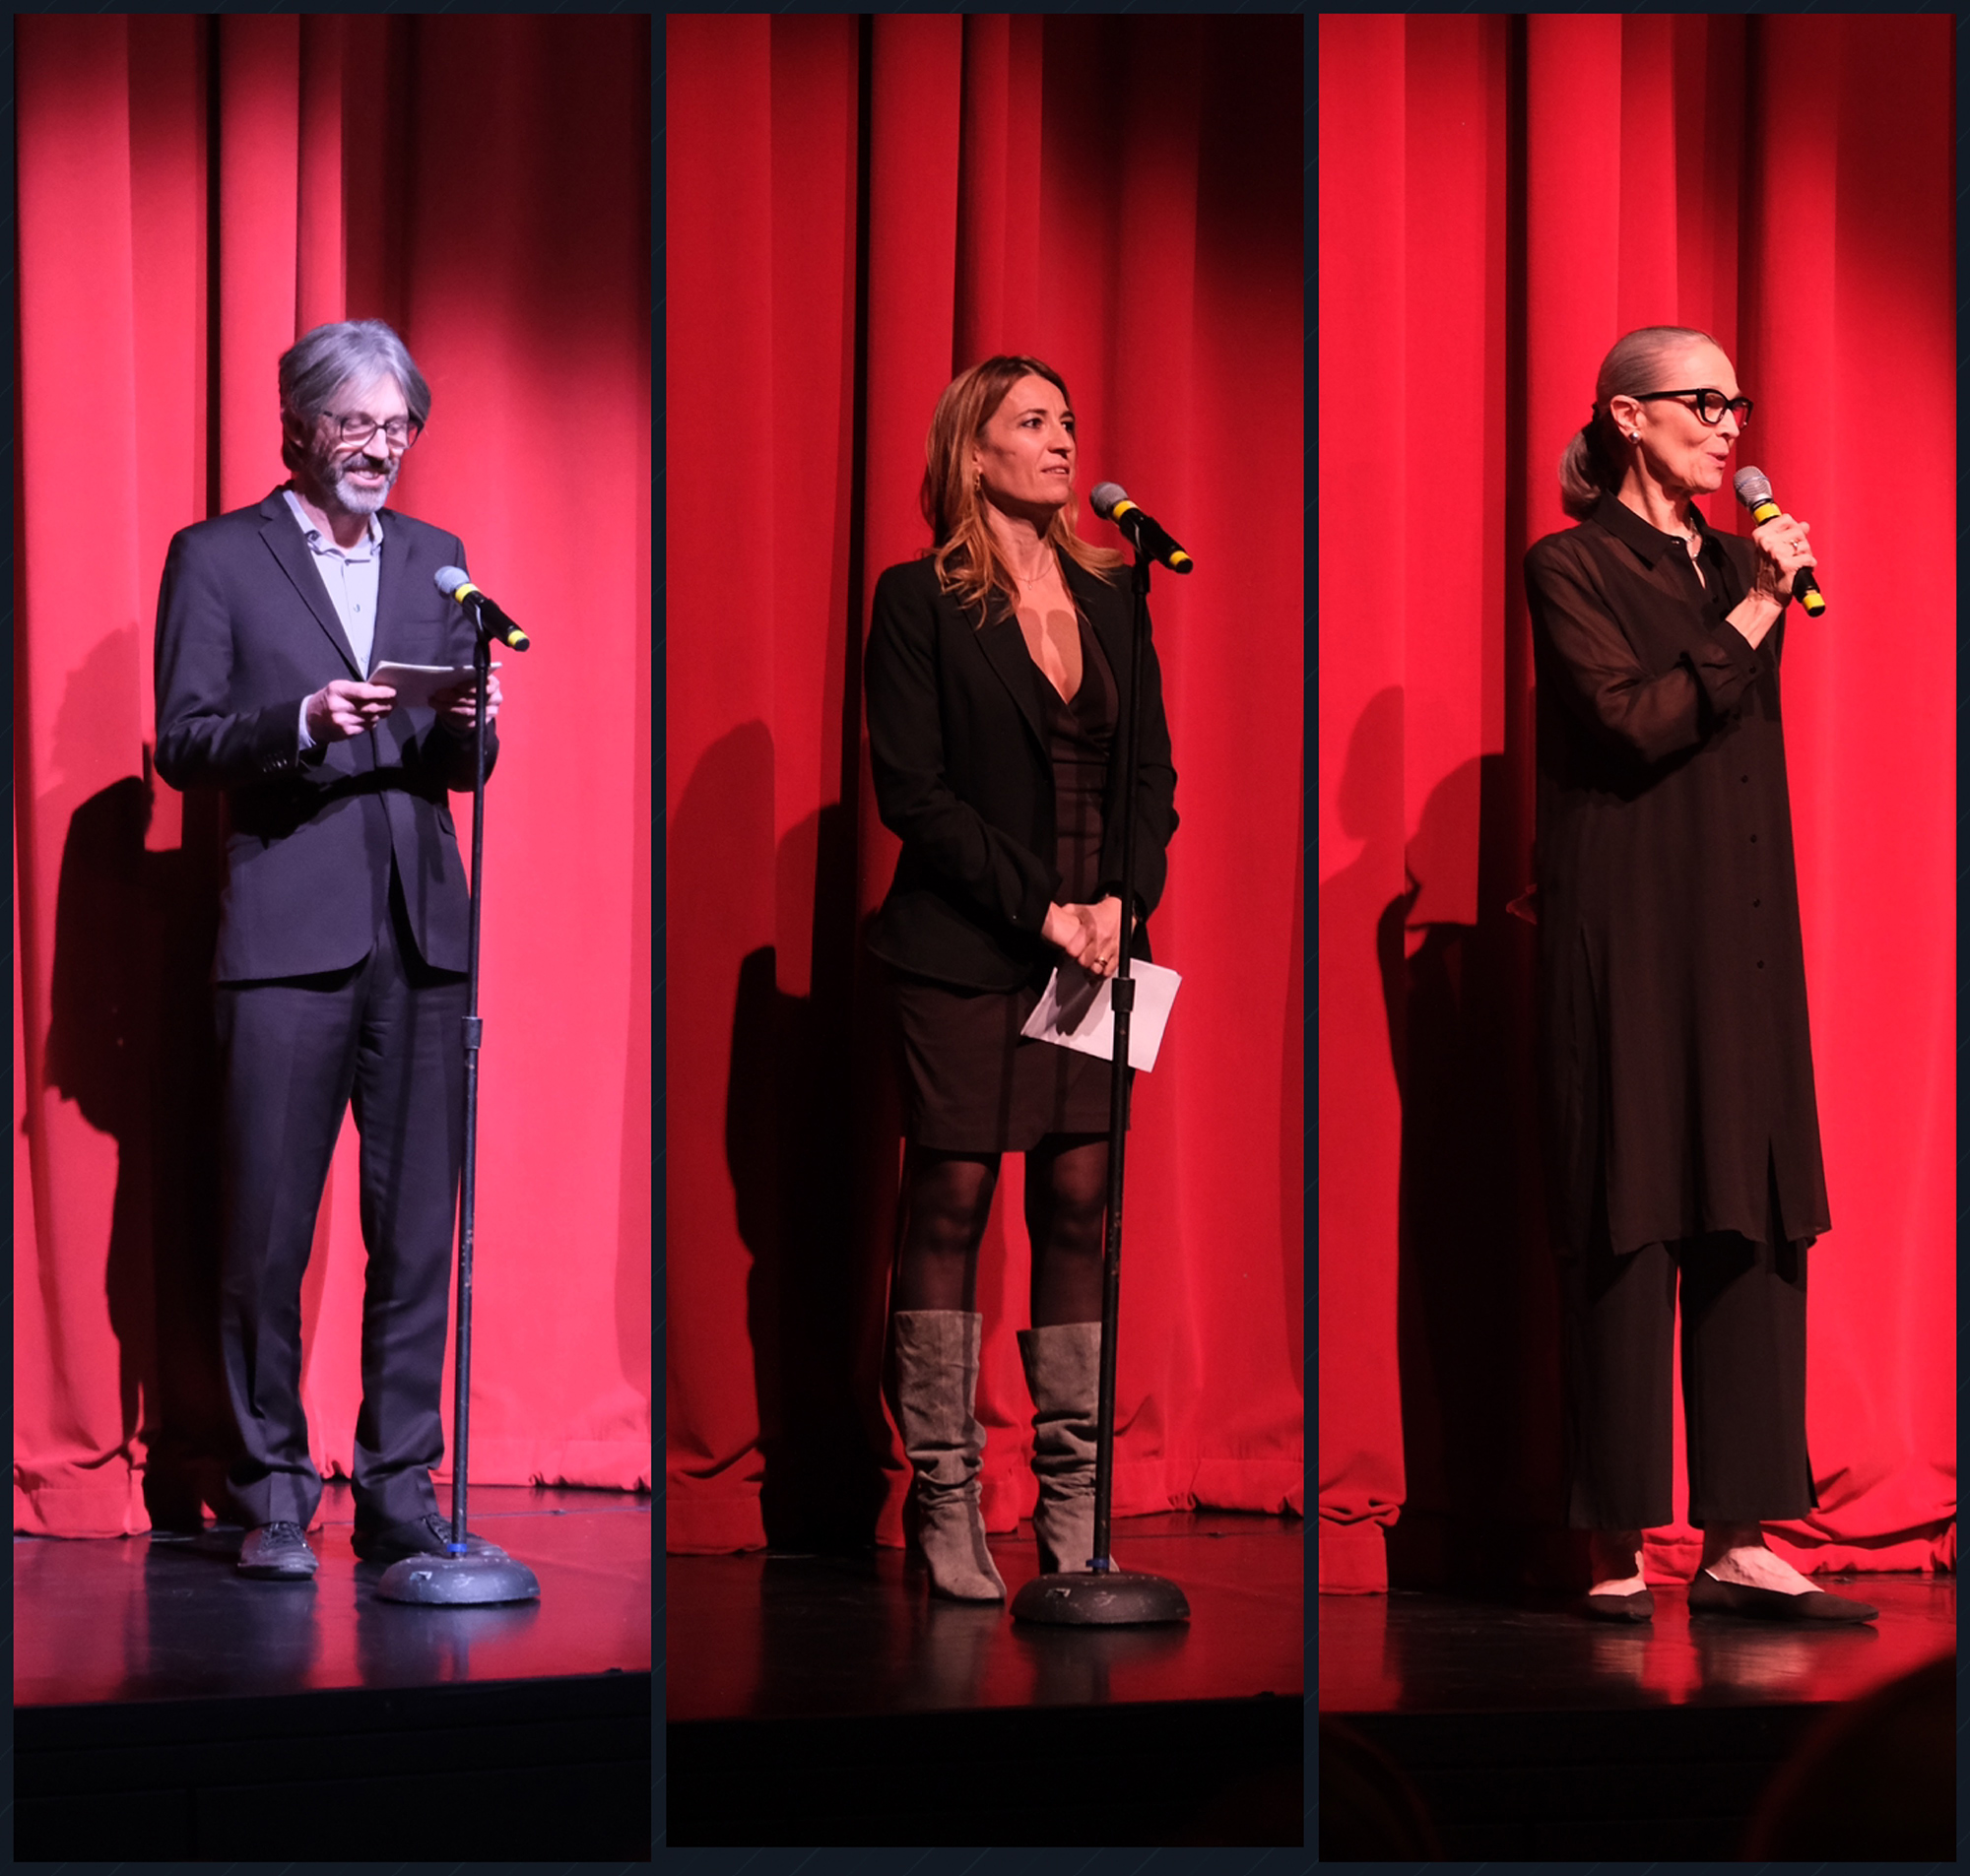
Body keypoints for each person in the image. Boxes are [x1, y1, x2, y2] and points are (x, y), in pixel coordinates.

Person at [1524, 325, 1872, 1624]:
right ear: (1627, 415)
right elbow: (1631, 723)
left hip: (1740, 926)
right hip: (1628, 926)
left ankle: (1739, 1534)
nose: (1730, 427)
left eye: (1737, 403)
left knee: (1755, 1204)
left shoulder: (1735, 558)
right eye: (1701, 401)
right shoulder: (1571, 562)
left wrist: (1756, 588)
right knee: (1630, 1202)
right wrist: (1759, 606)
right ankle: (1615, 1533)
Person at [154, 318, 505, 1581]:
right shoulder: (217, 557)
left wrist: (473, 720)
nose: (379, 446)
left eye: (398, 425)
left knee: (416, 1230)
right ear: (299, 426)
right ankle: (272, 1495)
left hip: (420, 931)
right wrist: (299, 718)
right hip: (287, 934)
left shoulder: (437, 560)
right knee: (267, 1232)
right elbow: (182, 743)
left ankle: (401, 1486)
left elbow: (460, 770)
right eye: (354, 423)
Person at [863, 354, 1178, 1600]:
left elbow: (1150, 777)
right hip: (966, 946)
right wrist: (1040, 906)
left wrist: (1118, 899)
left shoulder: (1114, 598)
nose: (1060, 443)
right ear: (972, 452)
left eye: (1066, 423)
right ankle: (942, 1499)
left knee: (1079, 1200)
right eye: (1031, 424)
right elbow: (914, 794)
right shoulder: (918, 600)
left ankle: (1071, 1506)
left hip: (1100, 943)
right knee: (947, 1199)